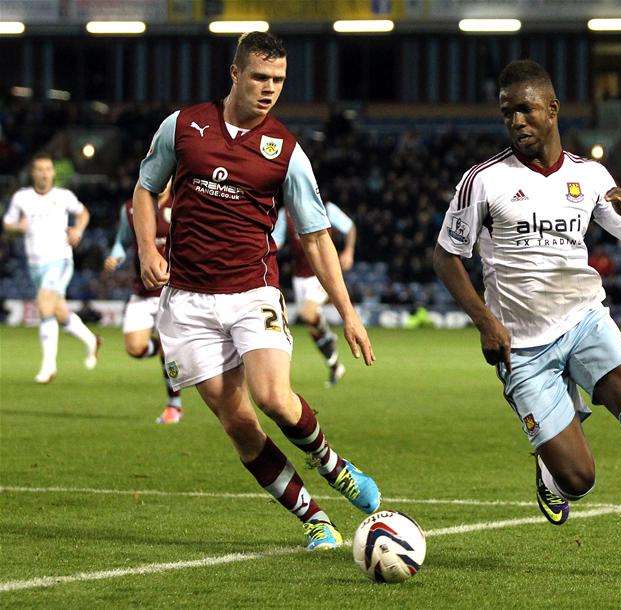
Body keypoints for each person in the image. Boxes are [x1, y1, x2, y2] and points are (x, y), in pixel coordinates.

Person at [433, 60, 621, 580]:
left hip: (585, 321)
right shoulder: (483, 181)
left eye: (525, 109)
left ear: (553, 109)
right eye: (507, 113)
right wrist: (485, 322)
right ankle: (551, 468)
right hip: (522, 346)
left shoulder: (590, 176)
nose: (516, 121)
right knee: (579, 480)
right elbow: (446, 257)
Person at [132, 31, 380, 551]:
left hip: (253, 291)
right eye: (261, 77)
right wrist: (147, 249)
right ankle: (315, 519)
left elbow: (316, 238)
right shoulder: (183, 126)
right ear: (235, 74)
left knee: (272, 398)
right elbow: (145, 188)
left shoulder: (287, 151)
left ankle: (332, 465)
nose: (270, 89)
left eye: (279, 80)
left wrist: (349, 314)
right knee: (239, 424)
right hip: (188, 303)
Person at [2, 152, 100, 383]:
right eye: (40, 169)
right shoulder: (22, 197)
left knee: (44, 304)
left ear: (53, 173)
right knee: (59, 311)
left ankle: (48, 367)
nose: (44, 173)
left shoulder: (63, 196)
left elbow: (83, 213)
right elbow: (7, 224)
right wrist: (17, 227)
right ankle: (92, 341)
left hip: (60, 260)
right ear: (32, 173)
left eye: (48, 169)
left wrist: (78, 231)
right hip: (35, 264)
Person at [104, 181, 183, 423]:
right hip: (142, 291)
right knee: (135, 348)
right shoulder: (131, 207)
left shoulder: (182, 203)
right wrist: (115, 256)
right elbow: (122, 241)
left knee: (170, 353)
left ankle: (174, 405)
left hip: (173, 292)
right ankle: (160, 349)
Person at [273, 202, 356, 386]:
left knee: (307, 313)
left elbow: (350, 227)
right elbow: (275, 243)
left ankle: (328, 335)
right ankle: (335, 366)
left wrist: (348, 251)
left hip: (323, 273)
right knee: (312, 327)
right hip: (299, 277)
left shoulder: (326, 208)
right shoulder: (285, 214)